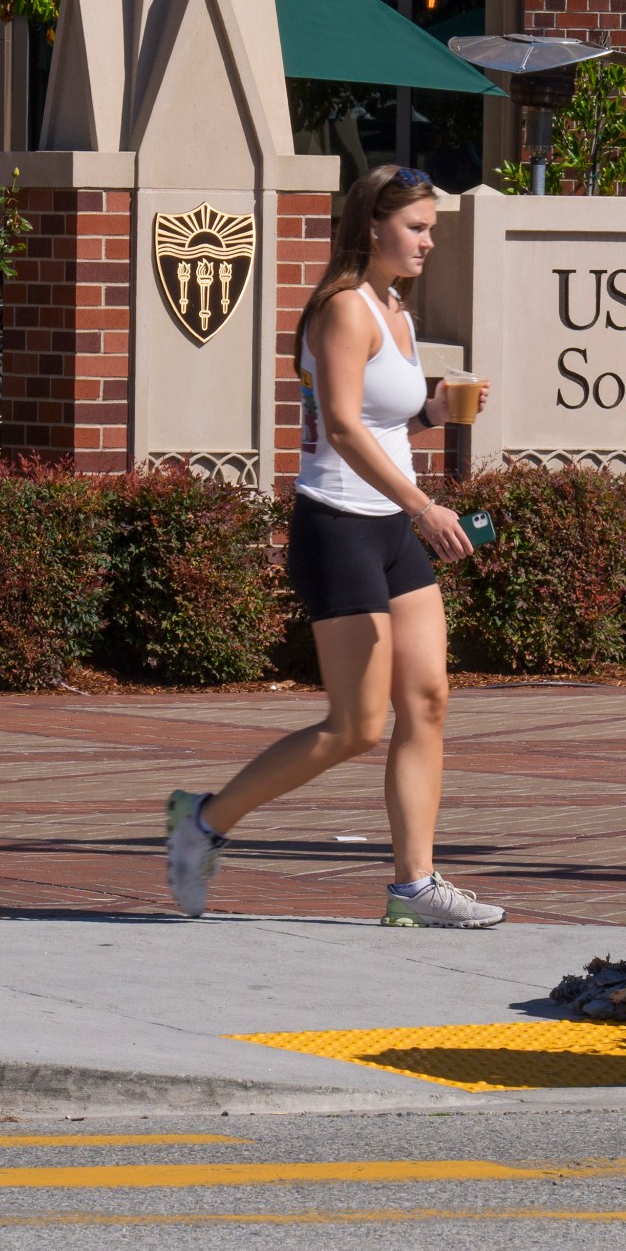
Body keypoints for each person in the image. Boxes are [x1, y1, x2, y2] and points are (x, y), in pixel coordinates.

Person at [163, 164, 504, 929]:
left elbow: (380, 423)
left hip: (387, 526)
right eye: (416, 228)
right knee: (357, 726)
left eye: (431, 230)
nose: (427, 242)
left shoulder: (395, 310)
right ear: (372, 227)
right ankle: (202, 821)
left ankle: (413, 888)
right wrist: (423, 505)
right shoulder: (345, 309)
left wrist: (435, 412)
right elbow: (343, 429)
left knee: (428, 700)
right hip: (341, 527)